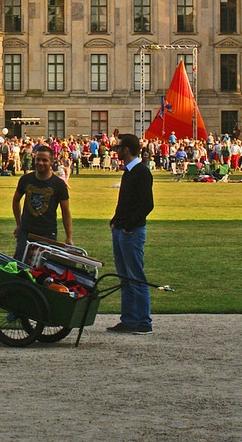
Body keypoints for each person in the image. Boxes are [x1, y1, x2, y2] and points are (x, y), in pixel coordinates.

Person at [107, 134, 154, 336]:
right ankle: (129, 319)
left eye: (119, 148)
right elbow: (126, 201)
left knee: (136, 276)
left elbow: (147, 204)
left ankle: (144, 321)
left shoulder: (141, 171)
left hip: (131, 231)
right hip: (122, 227)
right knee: (125, 277)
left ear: (126, 150)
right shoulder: (129, 171)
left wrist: (128, 226)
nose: (116, 151)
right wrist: (116, 219)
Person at [11, 144, 72, 262]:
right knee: (20, 263)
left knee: (43, 267)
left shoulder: (58, 184)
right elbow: (16, 200)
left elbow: (66, 212)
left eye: (45, 160)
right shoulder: (26, 179)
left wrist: (69, 237)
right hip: (26, 231)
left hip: (47, 233)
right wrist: (19, 224)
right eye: (38, 159)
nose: (40, 163)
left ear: (51, 162)